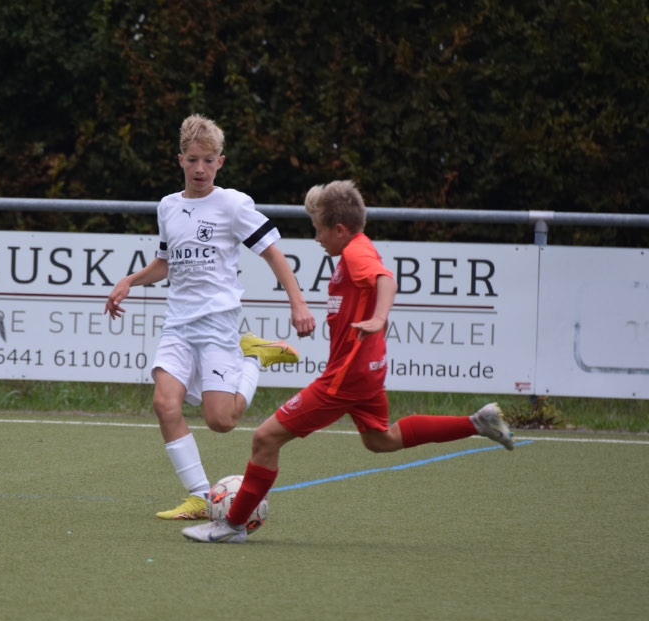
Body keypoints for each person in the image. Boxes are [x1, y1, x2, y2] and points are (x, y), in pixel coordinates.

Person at [181, 179, 515, 543]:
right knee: (380, 439)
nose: (316, 238)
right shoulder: (355, 249)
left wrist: (379, 318)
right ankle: (476, 423)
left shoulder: (356, 254)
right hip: (368, 371)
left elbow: (386, 280)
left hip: (346, 376)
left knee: (265, 438)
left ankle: (231, 525)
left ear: (340, 229)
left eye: (319, 230)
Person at [104, 114, 316, 520]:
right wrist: (130, 280)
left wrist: (298, 304)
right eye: (192, 160)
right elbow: (164, 263)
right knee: (165, 403)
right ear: (180, 160)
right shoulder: (168, 206)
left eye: (208, 160)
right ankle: (200, 497)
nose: (200, 169)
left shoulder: (233, 204)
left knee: (222, 421)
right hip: (178, 325)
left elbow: (273, 253)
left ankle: (254, 356)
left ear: (220, 162)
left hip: (219, 326)